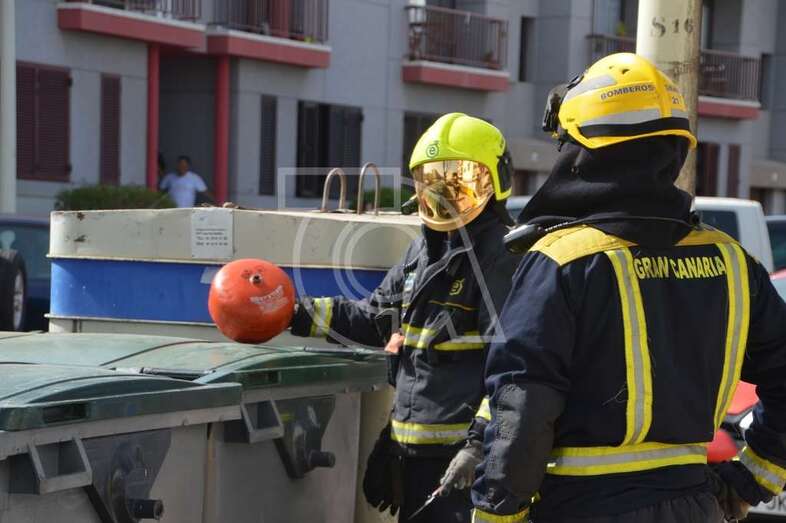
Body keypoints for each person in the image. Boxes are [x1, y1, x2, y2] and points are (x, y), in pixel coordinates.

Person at [471, 52, 786, 523]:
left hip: (580, 508)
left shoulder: (562, 261)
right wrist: (752, 480)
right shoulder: (732, 261)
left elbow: (524, 402)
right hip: (696, 506)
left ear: (585, 153)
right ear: (673, 151)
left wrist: (497, 512)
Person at [289, 113, 519, 522]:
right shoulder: (423, 254)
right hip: (415, 460)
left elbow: (514, 371)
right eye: (433, 183)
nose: (445, 195)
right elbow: (374, 318)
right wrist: (293, 312)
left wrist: (478, 448)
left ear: (495, 180)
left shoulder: (500, 260)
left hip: (465, 469)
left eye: (459, 181)